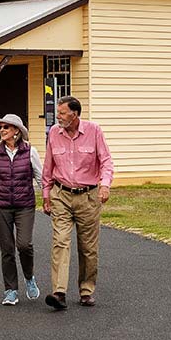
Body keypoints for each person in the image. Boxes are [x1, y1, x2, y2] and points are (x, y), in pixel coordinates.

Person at [42, 95, 113, 311]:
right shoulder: (54, 133)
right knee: (60, 242)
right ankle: (59, 293)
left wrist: (105, 185)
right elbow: (48, 165)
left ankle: (86, 290)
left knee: (88, 247)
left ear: (75, 114)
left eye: (63, 113)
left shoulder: (94, 131)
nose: (59, 117)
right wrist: (46, 194)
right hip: (61, 194)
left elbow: (106, 161)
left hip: (89, 196)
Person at [0, 113, 42, 306]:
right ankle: (11, 290)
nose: (2, 130)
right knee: (7, 249)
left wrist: (49, 199)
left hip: (25, 206)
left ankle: (29, 277)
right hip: (1, 207)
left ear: (16, 131)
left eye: (6, 127)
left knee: (24, 245)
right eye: (1, 127)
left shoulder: (30, 151)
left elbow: (41, 178)